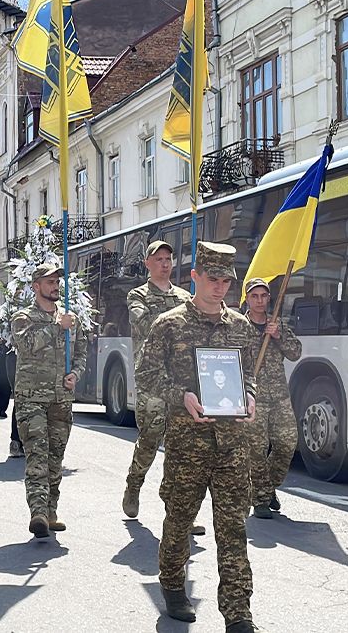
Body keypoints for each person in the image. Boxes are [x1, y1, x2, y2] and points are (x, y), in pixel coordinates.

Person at [136, 241, 258, 629]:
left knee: (233, 529)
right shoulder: (169, 324)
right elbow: (145, 375)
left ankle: (238, 613)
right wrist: (181, 396)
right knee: (179, 520)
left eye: (226, 281)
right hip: (188, 444)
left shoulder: (239, 326)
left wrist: (250, 395)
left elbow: (248, 374)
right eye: (212, 279)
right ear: (195, 277)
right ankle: (173, 584)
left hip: (232, 446)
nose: (219, 287)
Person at [11, 263, 88, 538]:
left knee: (56, 459)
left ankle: (51, 510)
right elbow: (26, 344)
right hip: (31, 398)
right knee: (37, 456)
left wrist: (75, 374)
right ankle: (38, 513)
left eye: (57, 281)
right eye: (49, 282)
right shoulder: (23, 317)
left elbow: (81, 352)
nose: (55, 286)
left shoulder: (71, 319)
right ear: (36, 287)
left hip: (61, 399)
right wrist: (57, 327)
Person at [122, 240, 192, 523]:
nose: (165, 263)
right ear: (147, 263)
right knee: (150, 439)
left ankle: (179, 511)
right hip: (152, 378)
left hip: (182, 380)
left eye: (168, 259)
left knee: (181, 446)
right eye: (159, 258)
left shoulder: (186, 297)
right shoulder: (137, 295)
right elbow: (145, 324)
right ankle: (134, 484)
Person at [242, 277, 302, 520]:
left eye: (263, 296)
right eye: (254, 296)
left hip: (279, 396)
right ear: (247, 299)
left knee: (287, 443)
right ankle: (260, 500)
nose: (259, 301)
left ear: (269, 298)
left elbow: (296, 352)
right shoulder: (238, 327)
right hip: (253, 396)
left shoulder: (277, 324)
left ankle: (266, 488)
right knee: (256, 449)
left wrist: (278, 336)